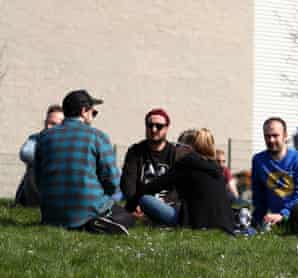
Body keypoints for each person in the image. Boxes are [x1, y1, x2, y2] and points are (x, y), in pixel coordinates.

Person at [34, 90, 134, 234]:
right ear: (83, 111)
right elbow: (112, 180)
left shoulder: (43, 137)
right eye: (93, 112)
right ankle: (91, 223)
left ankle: (83, 222)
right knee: (127, 217)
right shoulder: (97, 137)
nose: (93, 116)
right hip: (88, 209)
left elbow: (38, 178)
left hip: (50, 214)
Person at [135, 128, 235, 233]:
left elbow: (155, 186)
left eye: (178, 145)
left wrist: (135, 198)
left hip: (195, 223)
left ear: (187, 148)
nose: (175, 149)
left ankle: (150, 221)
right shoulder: (215, 167)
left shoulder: (185, 163)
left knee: (145, 199)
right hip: (225, 225)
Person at [121, 108, 180, 217]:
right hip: (140, 203)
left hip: (167, 205)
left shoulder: (175, 153)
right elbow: (128, 182)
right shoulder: (135, 151)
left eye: (159, 126)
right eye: (150, 125)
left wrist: (164, 203)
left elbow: (178, 186)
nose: (153, 129)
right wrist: (135, 203)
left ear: (166, 128)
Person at [15, 104, 64, 207]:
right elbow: (26, 154)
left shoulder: (71, 142)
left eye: (54, 124)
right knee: (33, 165)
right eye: (46, 123)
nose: (48, 127)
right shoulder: (36, 138)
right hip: (36, 193)